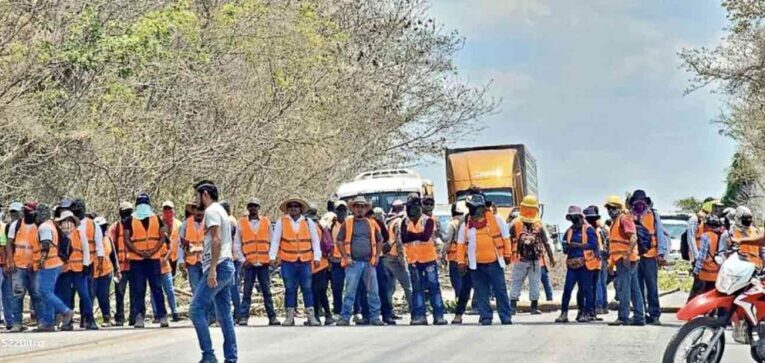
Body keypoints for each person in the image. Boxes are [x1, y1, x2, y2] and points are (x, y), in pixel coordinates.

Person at [189, 180, 237, 363]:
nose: (196, 199)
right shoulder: (221, 211)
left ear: (205, 194)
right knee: (224, 315)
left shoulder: (211, 211)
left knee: (195, 309)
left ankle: (208, 354)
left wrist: (212, 270)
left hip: (219, 266)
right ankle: (231, 358)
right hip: (224, 264)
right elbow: (217, 241)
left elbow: (216, 240)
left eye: (197, 195)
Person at [455, 193, 513, 325]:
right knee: (481, 292)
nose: (473, 211)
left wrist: (508, 254)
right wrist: (461, 262)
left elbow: (506, 237)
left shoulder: (497, 219)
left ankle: (505, 316)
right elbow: (460, 244)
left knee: (500, 291)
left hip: (495, 262)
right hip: (476, 265)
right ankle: (486, 316)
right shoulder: (466, 225)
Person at [268, 196, 322, 326]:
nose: (293, 209)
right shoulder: (282, 222)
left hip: (305, 260)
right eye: (291, 207)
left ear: (300, 209)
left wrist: (317, 257)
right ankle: (290, 316)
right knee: (290, 288)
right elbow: (275, 240)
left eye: (296, 206)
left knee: (307, 288)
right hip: (288, 260)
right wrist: (272, 256)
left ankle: (311, 316)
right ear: (288, 209)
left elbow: (315, 241)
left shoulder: (308, 222)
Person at [334, 196, 385, 326]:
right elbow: (339, 240)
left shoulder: (372, 223)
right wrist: (346, 257)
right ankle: (345, 317)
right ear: (354, 208)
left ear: (365, 208)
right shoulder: (348, 223)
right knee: (350, 292)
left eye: (363, 207)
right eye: (358, 206)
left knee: (373, 292)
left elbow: (380, 240)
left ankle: (375, 317)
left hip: (369, 262)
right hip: (353, 263)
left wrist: (377, 256)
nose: (360, 209)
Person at [122, 192, 170, 328]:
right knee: (139, 289)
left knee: (156, 288)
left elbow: (163, 236)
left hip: (153, 259)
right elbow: (127, 239)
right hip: (137, 260)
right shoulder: (130, 220)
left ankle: (162, 316)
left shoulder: (156, 218)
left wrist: (153, 251)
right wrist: (139, 251)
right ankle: (139, 316)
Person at [400, 194, 447, 325]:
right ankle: (419, 316)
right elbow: (404, 239)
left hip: (428, 259)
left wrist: (412, 235)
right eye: (410, 207)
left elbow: (426, 236)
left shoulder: (428, 220)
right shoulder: (405, 221)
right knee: (417, 289)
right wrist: (416, 236)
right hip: (413, 260)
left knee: (433, 287)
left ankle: (439, 316)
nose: (412, 210)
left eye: (415, 207)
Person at [508, 195, 555, 315]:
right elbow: (546, 243)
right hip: (535, 260)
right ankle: (534, 307)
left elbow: (507, 240)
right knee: (534, 283)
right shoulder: (539, 224)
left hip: (520, 259)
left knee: (516, 282)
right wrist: (551, 258)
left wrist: (507, 256)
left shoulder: (515, 223)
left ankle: (512, 306)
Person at [235, 198, 279, 326]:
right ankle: (243, 317)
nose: (253, 208)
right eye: (251, 206)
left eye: (255, 206)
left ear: (259, 208)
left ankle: (272, 317)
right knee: (247, 291)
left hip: (264, 263)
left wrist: (272, 258)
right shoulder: (241, 223)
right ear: (248, 208)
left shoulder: (266, 222)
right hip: (249, 264)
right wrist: (243, 260)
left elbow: (272, 242)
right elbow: (237, 244)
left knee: (266, 291)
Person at [604, 195, 646, 326]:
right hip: (624, 260)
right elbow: (614, 246)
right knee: (634, 290)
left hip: (626, 260)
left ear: (619, 208)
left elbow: (633, 238)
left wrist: (627, 256)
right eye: (608, 208)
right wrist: (611, 263)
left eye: (613, 208)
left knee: (624, 289)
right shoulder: (616, 221)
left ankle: (623, 317)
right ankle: (639, 317)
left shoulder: (623, 219)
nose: (610, 211)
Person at [628, 190, 668, 325]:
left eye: (642, 201)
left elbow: (660, 234)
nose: (639, 204)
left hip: (650, 255)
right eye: (637, 201)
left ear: (646, 202)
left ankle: (655, 314)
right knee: (637, 287)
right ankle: (640, 313)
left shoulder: (653, 214)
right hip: (635, 255)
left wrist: (661, 253)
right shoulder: (629, 216)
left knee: (652, 286)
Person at [34, 207, 75, 332]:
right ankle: (48, 322)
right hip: (55, 263)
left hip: (49, 263)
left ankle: (65, 311)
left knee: (44, 292)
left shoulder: (44, 227)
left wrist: (41, 260)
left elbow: (46, 244)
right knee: (49, 293)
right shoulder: (51, 225)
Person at [556, 206, 598, 323]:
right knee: (567, 289)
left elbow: (594, 245)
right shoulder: (569, 232)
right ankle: (564, 313)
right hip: (572, 265)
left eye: (576, 217)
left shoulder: (589, 229)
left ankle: (588, 312)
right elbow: (565, 247)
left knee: (586, 289)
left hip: (586, 264)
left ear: (580, 217)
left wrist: (578, 246)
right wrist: (568, 247)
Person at [7, 202, 43, 332]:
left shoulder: (39, 227)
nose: (27, 214)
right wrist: (10, 262)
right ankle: (17, 323)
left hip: (34, 267)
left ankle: (41, 322)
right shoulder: (15, 225)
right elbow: (9, 245)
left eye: (29, 211)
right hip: (19, 266)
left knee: (37, 295)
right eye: (25, 211)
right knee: (17, 295)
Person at [179, 203, 216, 326]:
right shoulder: (185, 224)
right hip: (192, 263)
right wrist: (181, 261)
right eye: (197, 210)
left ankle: (212, 316)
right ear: (193, 211)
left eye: (201, 210)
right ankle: (202, 317)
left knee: (209, 289)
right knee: (196, 290)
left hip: (207, 261)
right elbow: (180, 244)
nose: (199, 212)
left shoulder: (210, 223)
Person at [71, 199, 105, 328]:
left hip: (88, 264)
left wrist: (100, 263)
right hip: (70, 265)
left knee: (87, 294)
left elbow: (99, 246)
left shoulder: (92, 225)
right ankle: (69, 321)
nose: (76, 212)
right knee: (70, 294)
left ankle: (88, 319)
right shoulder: (69, 223)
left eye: (78, 209)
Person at [382, 200, 412, 318]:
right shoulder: (399, 221)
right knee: (408, 286)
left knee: (390, 287)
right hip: (395, 258)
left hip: (386, 257)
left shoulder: (388, 220)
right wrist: (402, 258)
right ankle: (415, 310)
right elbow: (399, 241)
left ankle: (388, 312)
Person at [688, 215, 726, 301]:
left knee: (701, 295)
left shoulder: (706, 236)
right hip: (718, 272)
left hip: (706, 273)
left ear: (708, 226)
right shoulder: (723, 236)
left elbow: (702, 256)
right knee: (714, 295)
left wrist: (696, 270)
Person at [307, 205, 333, 325]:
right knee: (321, 291)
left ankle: (316, 315)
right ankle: (327, 315)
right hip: (322, 262)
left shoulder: (308, 227)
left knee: (314, 291)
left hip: (313, 262)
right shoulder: (321, 226)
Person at [111, 202, 134, 326]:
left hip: (134, 265)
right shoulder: (116, 227)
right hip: (120, 267)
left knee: (134, 293)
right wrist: (115, 267)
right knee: (120, 294)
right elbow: (110, 245)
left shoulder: (136, 225)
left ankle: (133, 317)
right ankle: (119, 318)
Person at [92, 217, 116, 327]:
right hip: (92, 272)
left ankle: (107, 318)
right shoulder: (90, 239)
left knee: (104, 296)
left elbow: (112, 255)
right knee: (89, 296)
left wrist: (117, 269)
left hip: (106, 272)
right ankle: (87, 319)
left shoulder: (107, 239)